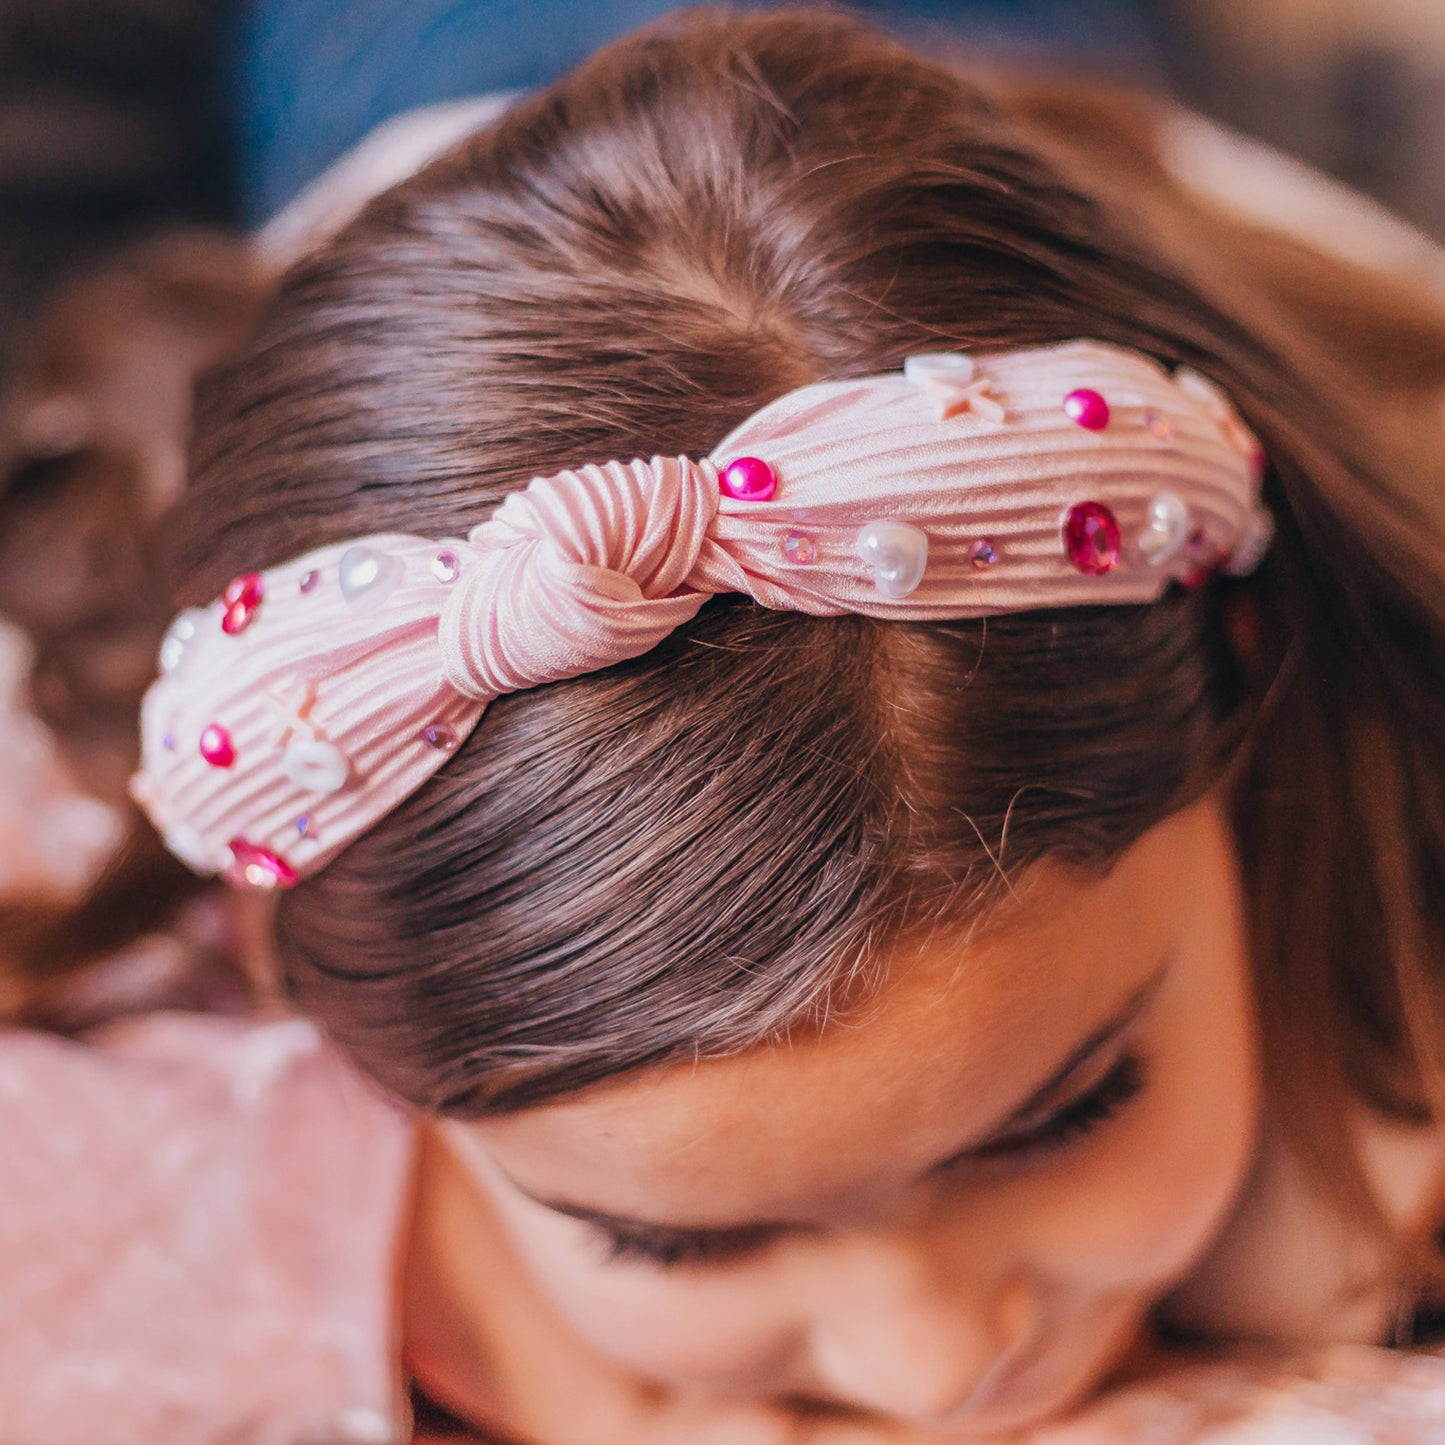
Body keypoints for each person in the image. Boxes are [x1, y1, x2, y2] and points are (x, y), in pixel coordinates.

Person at [6, 8, 1445, 1443]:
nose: (928, 1371)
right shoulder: (233, 734)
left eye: (1066, 1110)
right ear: (292, 983)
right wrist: (418, 1271)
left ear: (1247, 673)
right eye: (680, 1241)